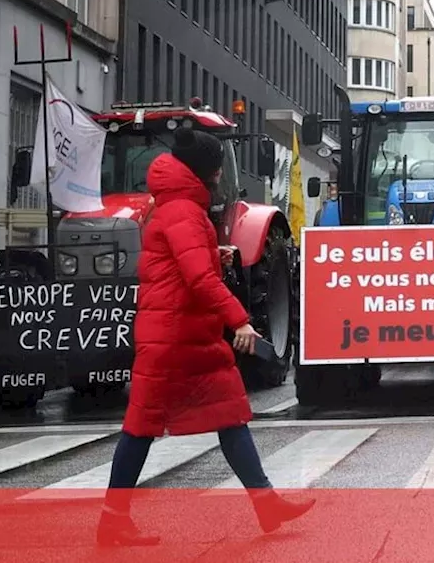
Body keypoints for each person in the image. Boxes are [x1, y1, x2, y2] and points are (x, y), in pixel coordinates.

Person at [97, 127, 315, 547]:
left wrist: (214, 255)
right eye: (216, 165)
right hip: (177, 336)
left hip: (180, 333)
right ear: (205, 171)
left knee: (224, 412)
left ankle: (265, 503)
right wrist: (240, 320)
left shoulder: (177, 207)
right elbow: (196, 279)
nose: (219, 173)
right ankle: (113, 518)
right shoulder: (185, 212)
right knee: (146, 424)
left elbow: (181, 264)